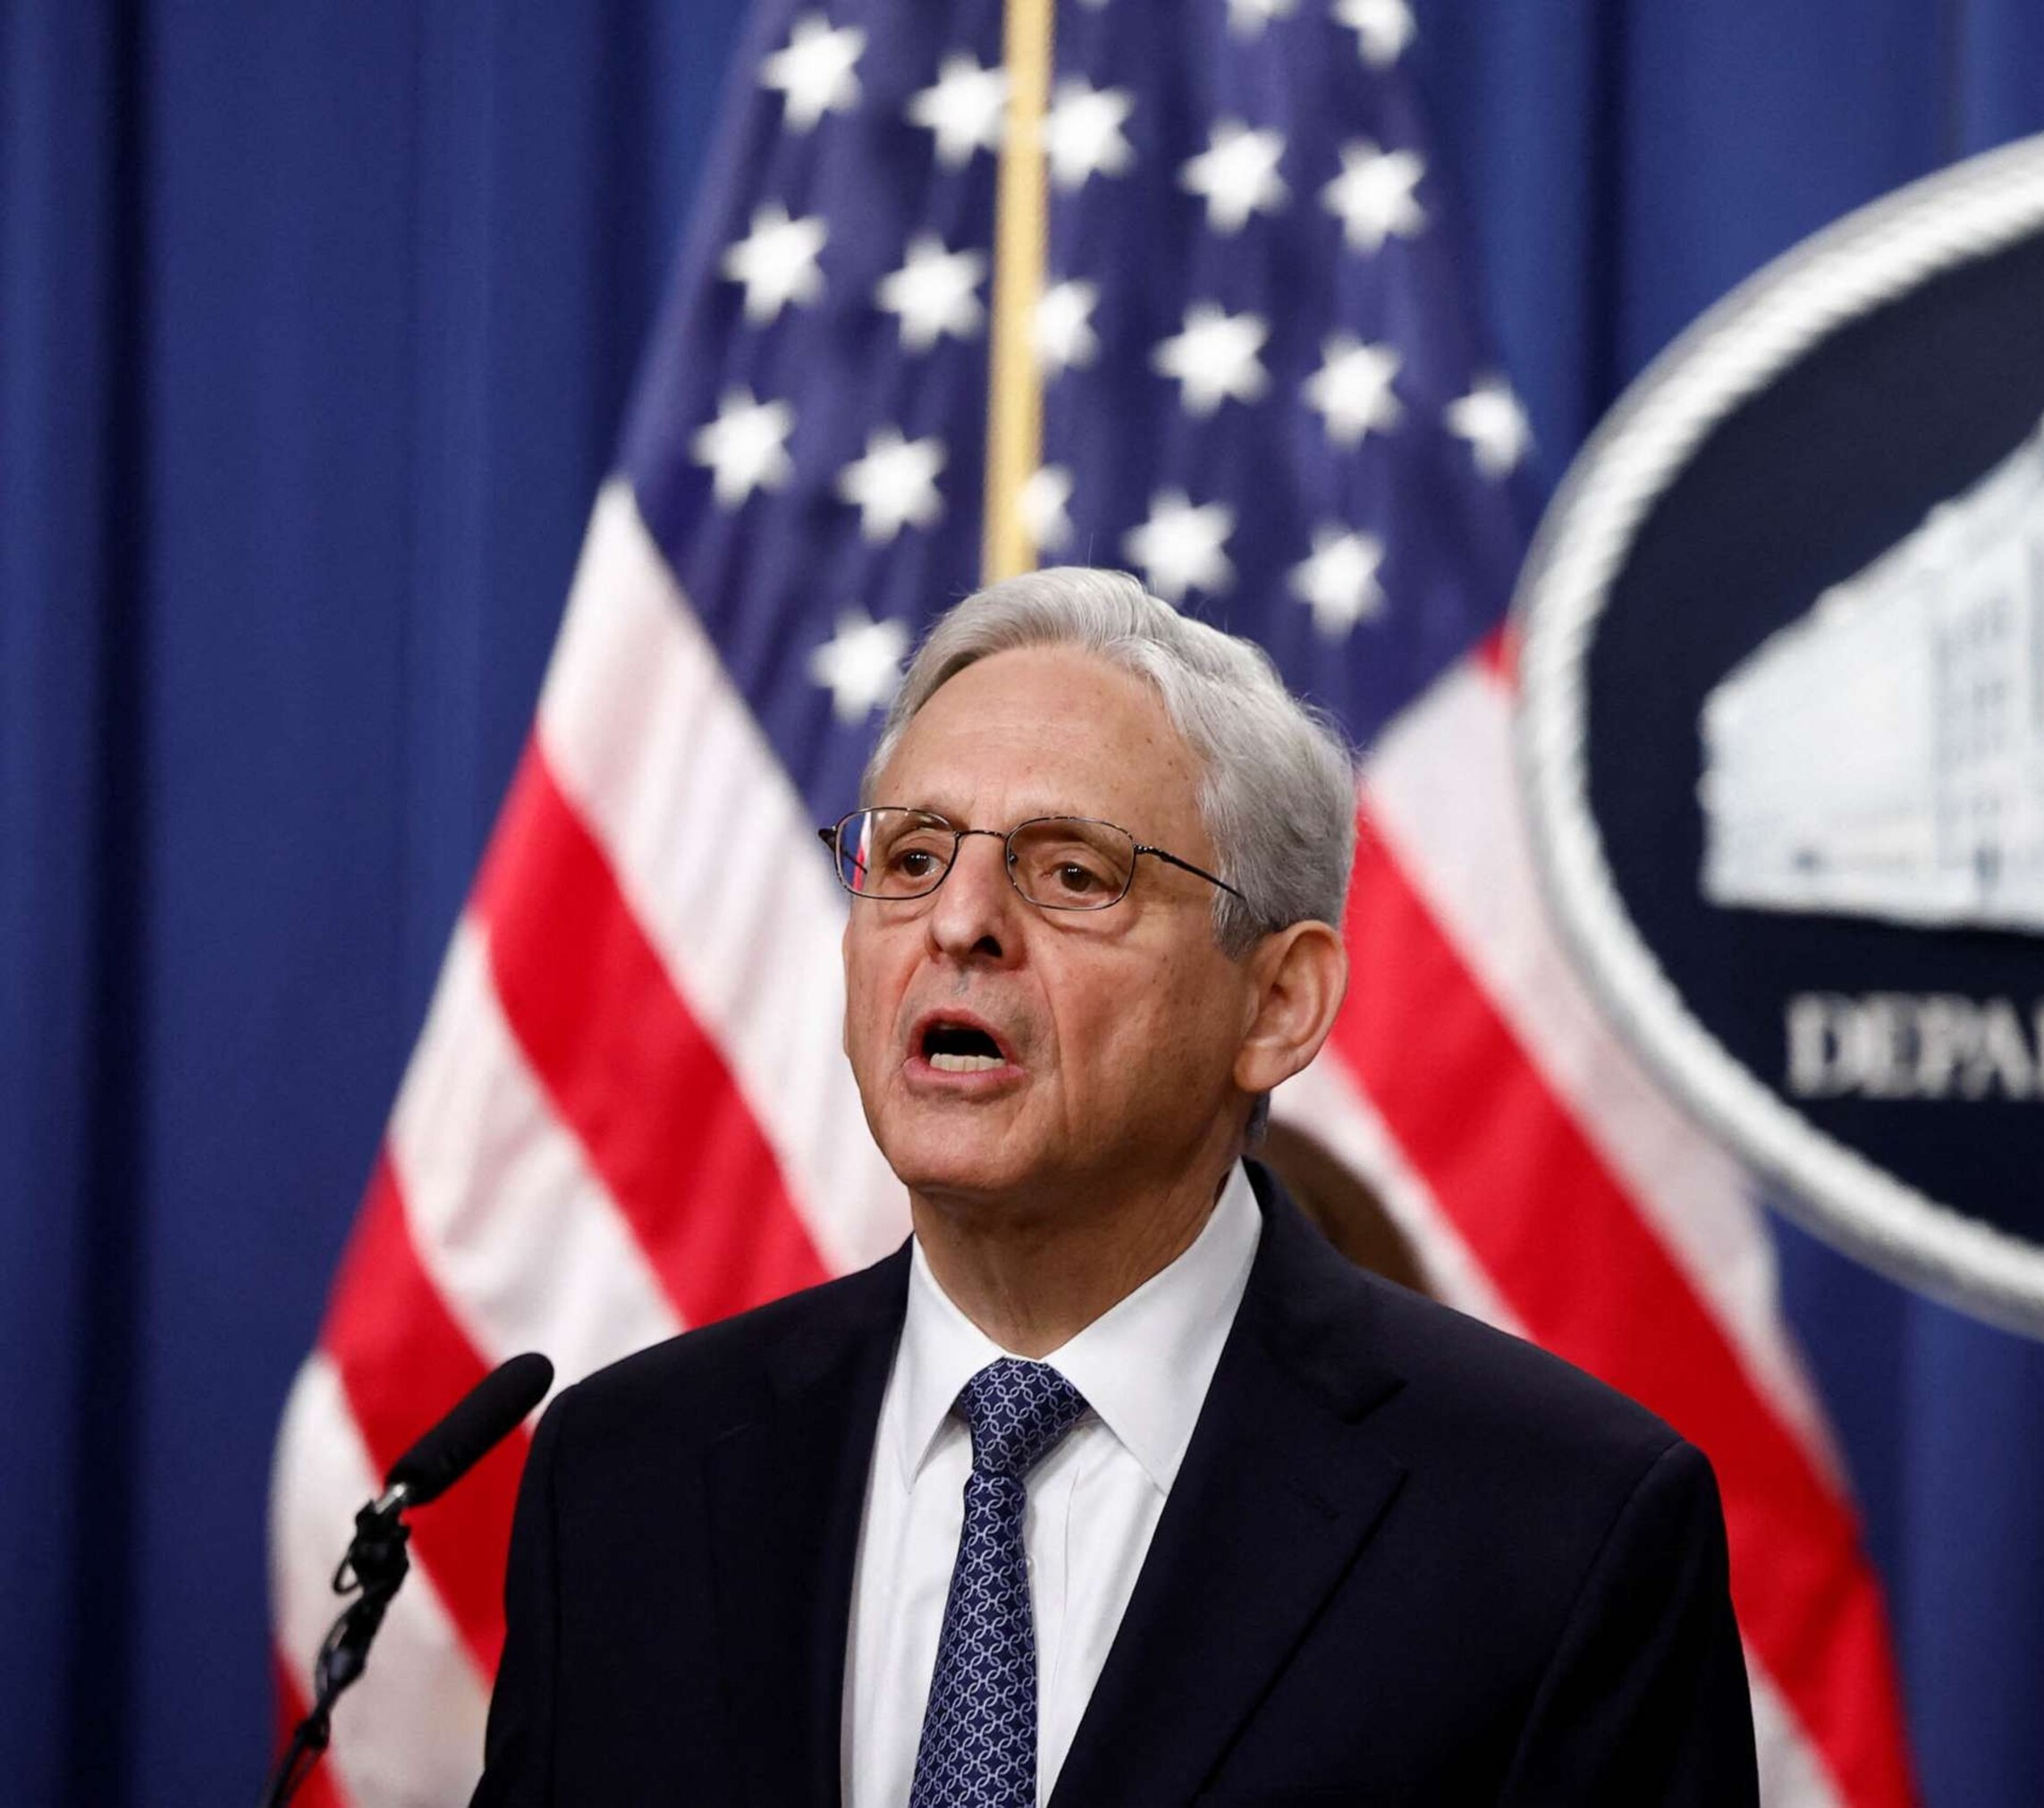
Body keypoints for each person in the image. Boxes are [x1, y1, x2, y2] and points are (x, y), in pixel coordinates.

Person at [470, 568, 1758, 1806]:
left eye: (1071, 870)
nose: (958, 921)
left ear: (1277, 1001)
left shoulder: (1559, 1525)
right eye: (912, 858)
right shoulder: (626, 1477)